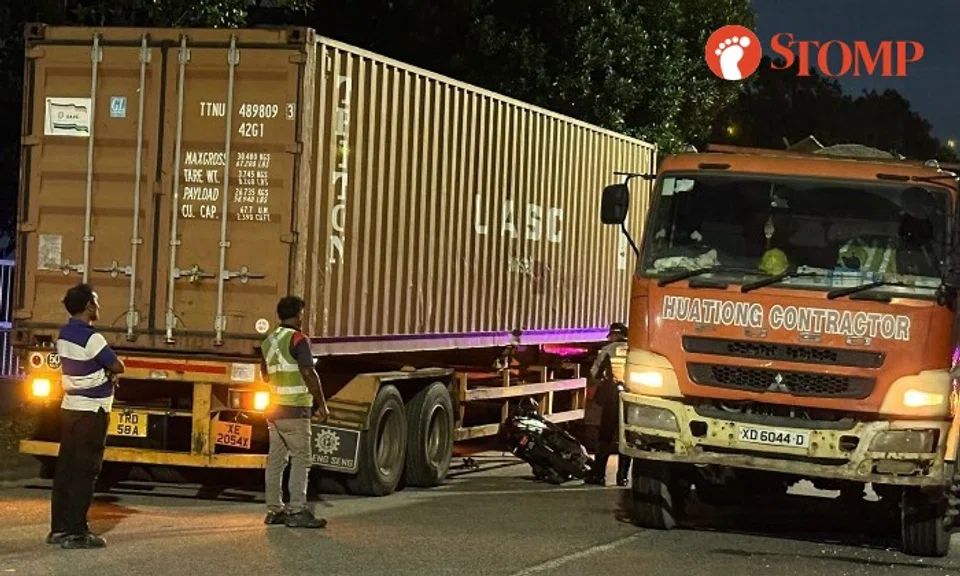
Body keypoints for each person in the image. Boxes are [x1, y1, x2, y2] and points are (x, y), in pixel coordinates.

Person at [48, 283, 125, 549]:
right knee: (86, 471)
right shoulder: (92, 338)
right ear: (88, 306)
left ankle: (58, 529)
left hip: (70, 409)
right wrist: (109, 373)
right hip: (93, 411)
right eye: (96, 301)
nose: (99, 306)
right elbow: (117, 365)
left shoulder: (64, 334)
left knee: (66, 470)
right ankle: (77, 532)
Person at [260, 296, 330, 529]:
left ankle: (274, 509)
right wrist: (322, 404)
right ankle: (297, 510)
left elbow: (266, 375)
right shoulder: (299, 339)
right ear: (298, 315)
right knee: (301, 459)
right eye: (302, 313)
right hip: (295, 409)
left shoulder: (269, 341)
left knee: (276, 461)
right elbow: (308, 372)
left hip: (274, 409)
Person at [586, 322, 631, 487]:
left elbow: (595, 373)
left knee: (605, 437)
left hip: (611, 398)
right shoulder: (635, 350)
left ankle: (598, 475)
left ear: (613, 335)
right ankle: (622, 477)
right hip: (631, 398)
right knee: (626, 438)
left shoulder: (607, 350)